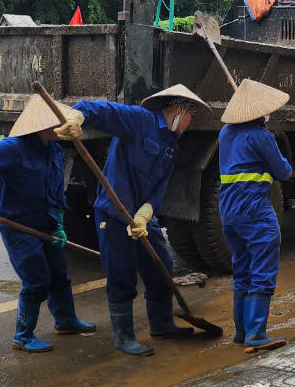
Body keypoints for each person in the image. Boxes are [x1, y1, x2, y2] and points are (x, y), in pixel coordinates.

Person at [0, 96, 96, 352]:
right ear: (43, 124)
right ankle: (23, 335)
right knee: (36, 280)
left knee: (59, 275)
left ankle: (66, 320)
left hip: (46, 222)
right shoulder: (13, 148)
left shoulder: (54, 150)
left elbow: (57, 192)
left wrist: (59, 224)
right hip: (18, 225)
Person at [64, 85, 212, 356]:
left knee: (162, 265)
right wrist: (76, 117)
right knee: (122, 273)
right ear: (180, 109)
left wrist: (146, 213)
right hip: (113, 212)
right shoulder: (139, 120)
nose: (190, 124)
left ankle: (162, 324)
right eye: (191, 116)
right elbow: (99, 109)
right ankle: (124, 336)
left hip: (142, 217)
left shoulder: (171, 145)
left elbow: (159, 188)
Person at [218, 79, 293, 353]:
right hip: (255, 210)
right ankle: (257, 334)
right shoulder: (261, 136)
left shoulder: (225, 132)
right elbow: (283, 172)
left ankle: (241, 332)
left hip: (229, 211)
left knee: (243, 271)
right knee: (262, 271)